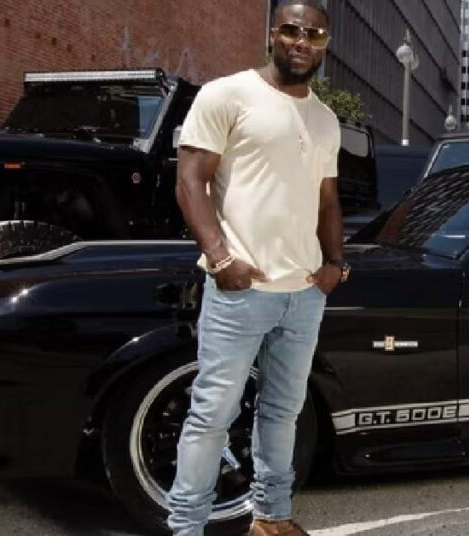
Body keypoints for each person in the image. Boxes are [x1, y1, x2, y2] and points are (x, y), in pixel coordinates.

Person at [166, 1, 346, 534]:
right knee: (211, 416)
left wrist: (335, 263)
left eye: (314, 34)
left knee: (282, 413)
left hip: (305, 293)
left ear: (324, 45)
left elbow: (328, 200)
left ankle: (270, 518)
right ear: (273, 34)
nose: (301, 42)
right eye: (291, 30)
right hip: (241, 290)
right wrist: (221, 258)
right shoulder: (227, 94)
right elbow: (189, 180)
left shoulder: (325, 118)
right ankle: (186, 527)